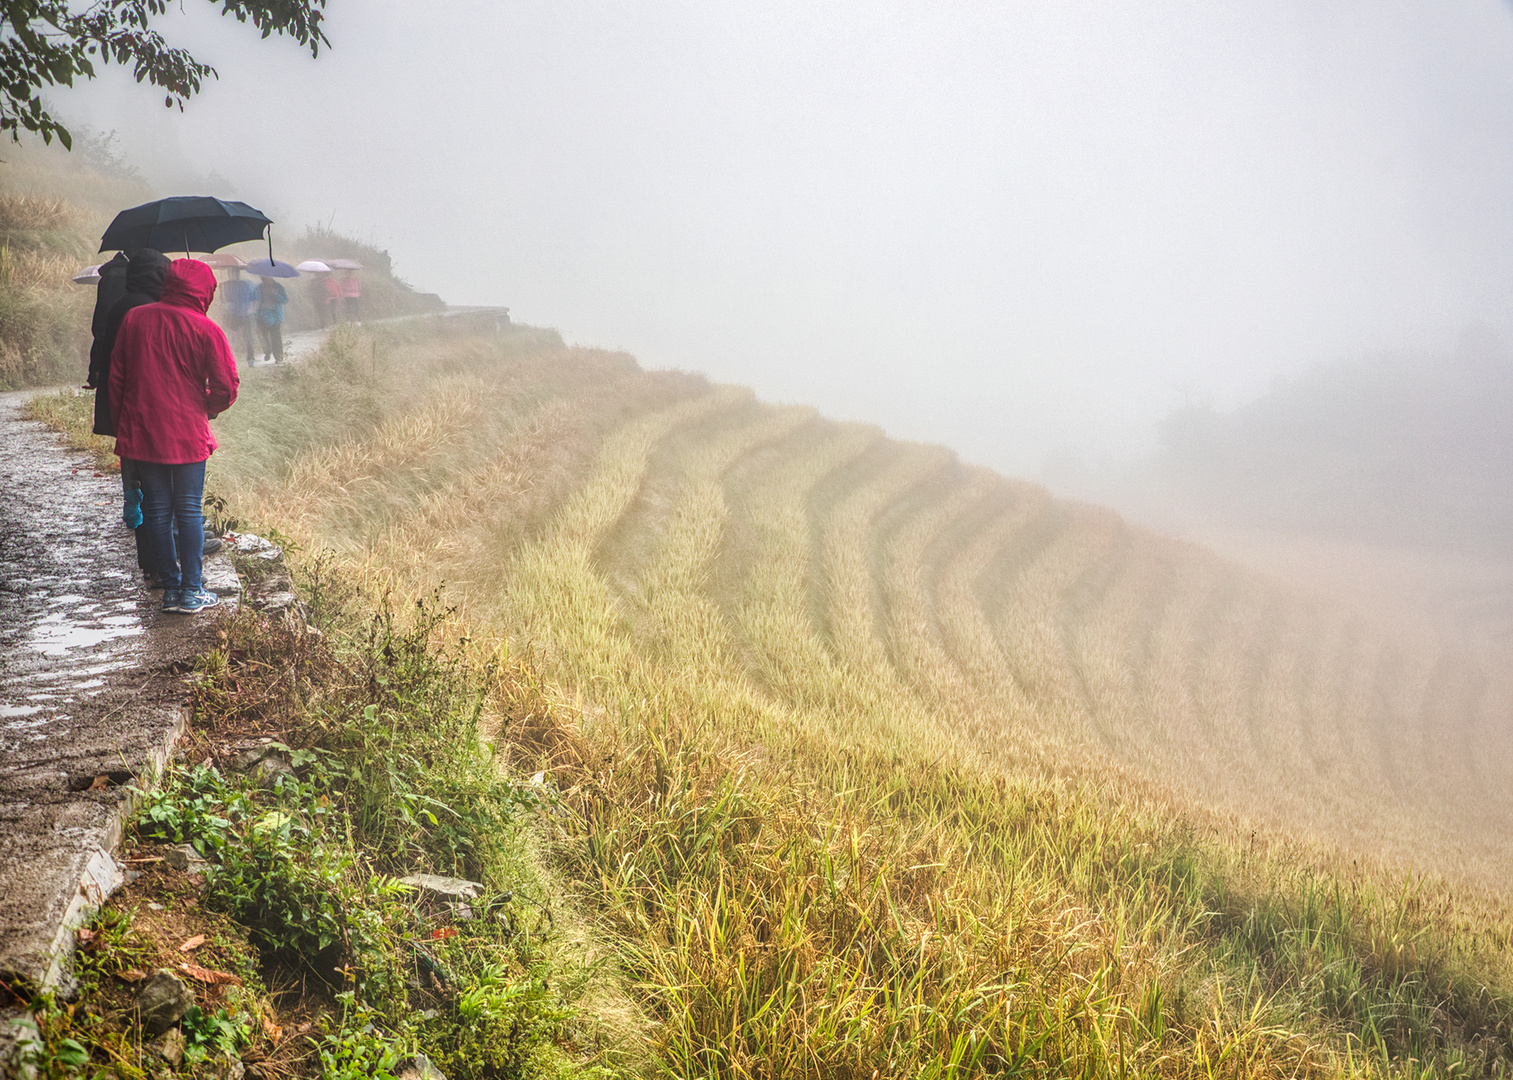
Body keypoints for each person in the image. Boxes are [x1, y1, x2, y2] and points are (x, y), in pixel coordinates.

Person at [109, 259, 239, 614]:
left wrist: (125, 424)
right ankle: (193, 590)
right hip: (185, 430)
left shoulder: (135, 318)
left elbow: (117, 377)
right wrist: (207, 407)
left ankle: (170, 590)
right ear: (205, 290)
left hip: (143, 428)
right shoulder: (206, 328)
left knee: (158, 510)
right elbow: (226, 385)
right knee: (187, 509)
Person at [85, 249, 171, 580]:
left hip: (123, 402)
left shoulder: (121, 299)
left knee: (138, 478)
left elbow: (102, 339)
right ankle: (161, 562)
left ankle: (150, 561)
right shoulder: (145, 309)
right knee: (157, 487)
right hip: (146, 405)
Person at [218, 267, 258, 367]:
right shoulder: (225, 285)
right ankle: (229, 359)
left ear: (237, 274)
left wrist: (250, 309)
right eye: (231, 273)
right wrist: (222, 291)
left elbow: (251, 298)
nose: (232, 275)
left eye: (234, 273)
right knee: (231, 338)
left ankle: (250, 359)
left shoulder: (243, 285)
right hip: (233, 315)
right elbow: (224, 300)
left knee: (247, 338)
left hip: (242, 314)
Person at [256, 275, 288, 363]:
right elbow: (255, 300)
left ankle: (279, 357)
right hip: (262, 315)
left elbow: (285, 300)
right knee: (264, 335)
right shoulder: (259, 288)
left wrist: (276, 294)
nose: (264, 279)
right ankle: (267, 350)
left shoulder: (278, 287)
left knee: (276, 337)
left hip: (276, 315)